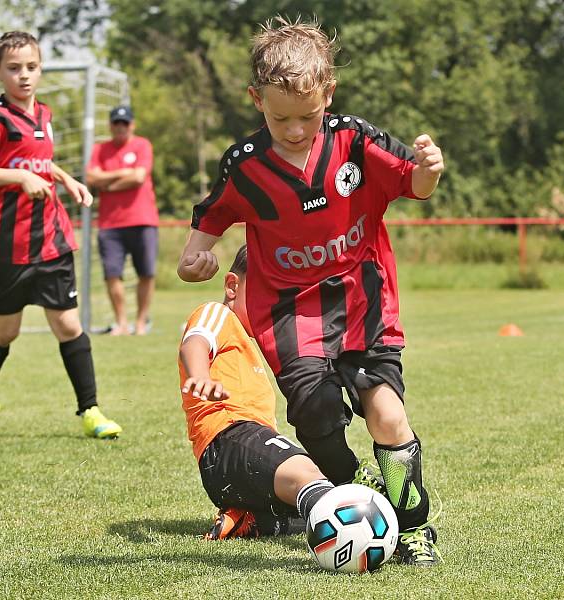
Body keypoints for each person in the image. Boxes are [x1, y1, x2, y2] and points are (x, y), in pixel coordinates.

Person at [177, 18, 444, 565]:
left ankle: (414, 529)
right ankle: (355, 493)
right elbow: (208, 222)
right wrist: (193, 259)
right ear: (256, 100)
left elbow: (412, 185)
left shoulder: (354, 140)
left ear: (329, 94)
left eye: (308, 116)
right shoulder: (245, 165)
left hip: (365, 310)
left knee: (388, 416)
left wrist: (429, 170)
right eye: (280, 118)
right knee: (317, 416)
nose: (295, 129)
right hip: (287, 319)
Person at [0, 30, 122, 439]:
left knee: (68, 325)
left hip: (52, 239)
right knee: (6, 331)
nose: (24, 76)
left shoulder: (45, 115)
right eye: (14, 69)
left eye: (31, 67)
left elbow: (42, 162)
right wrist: (17, 177)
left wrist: (68, 180)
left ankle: (91, 411)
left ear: (41, 69)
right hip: (7, 245)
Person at [179, 245, 382, 540]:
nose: (272, 307)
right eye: (264, 295)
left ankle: (252, 520)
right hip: (231, 437)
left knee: (314, 493)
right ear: (233, 286)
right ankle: (364, 536)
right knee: (310, 477)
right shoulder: (217, 314)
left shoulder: (248, 341)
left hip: (231, 469)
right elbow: (195, 342)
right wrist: (200, 376)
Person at [86, 105, 158, 336]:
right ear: (110, 125)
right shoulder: (100, 149)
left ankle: (140, 322)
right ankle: (121, 323)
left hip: (142, 220)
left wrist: (108, 184)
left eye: (124, 123)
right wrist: (123, 174)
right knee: (112, 274)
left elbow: (139, 177)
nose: (120, 127)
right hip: (110, 224)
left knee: (146, 273)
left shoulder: (142, 145)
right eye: (116, 123)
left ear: (132, 125)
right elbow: (90, 177)